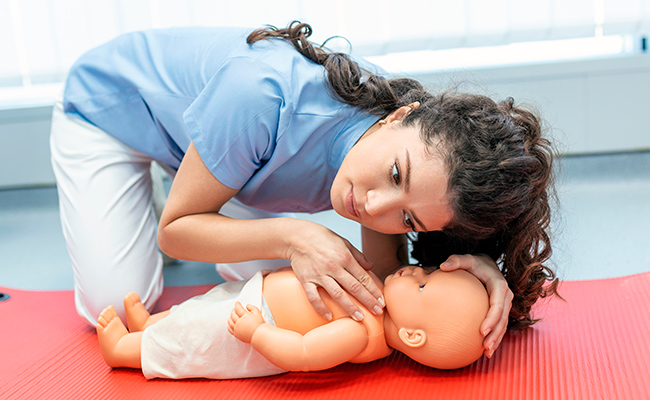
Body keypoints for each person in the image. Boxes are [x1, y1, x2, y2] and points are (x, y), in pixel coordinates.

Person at [50, 21, 557, 359]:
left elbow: (383, 287)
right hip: (106, 113)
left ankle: (202, 178)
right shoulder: (263, 95)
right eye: (396, 175)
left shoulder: (407, 160)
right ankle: (185, 183)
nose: (373, 207)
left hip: (233, 153)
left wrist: (473, 266)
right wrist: (295, 235)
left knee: (301, 294)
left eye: (409, 221)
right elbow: (175, 234)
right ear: (398, 117)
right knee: (112, 302)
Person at [96, 266, 489, 379]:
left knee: (192, 338)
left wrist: (258, 332)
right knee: (197, 309)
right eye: (428, 270)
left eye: (421, 285)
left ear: (412, 335)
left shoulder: (360, 332)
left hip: (254, 327)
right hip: (254, 295)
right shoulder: (381, 300)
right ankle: (150, 325)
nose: (415, 271)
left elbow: (303, 354)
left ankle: (125, 350)